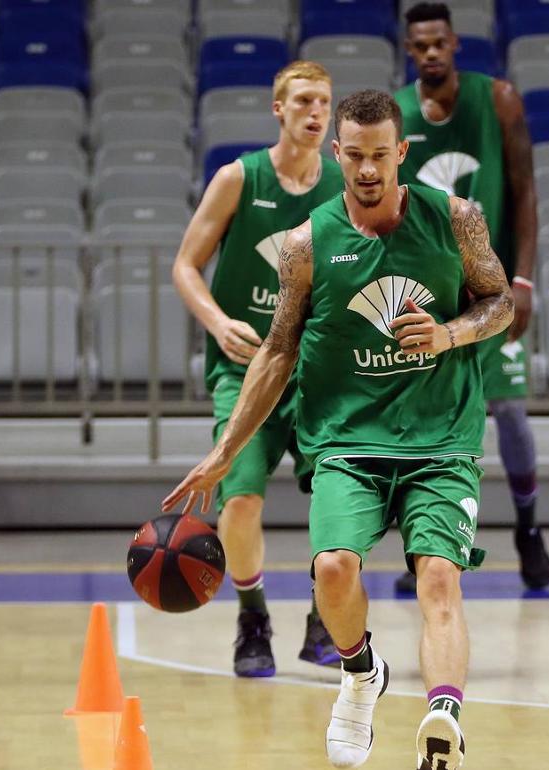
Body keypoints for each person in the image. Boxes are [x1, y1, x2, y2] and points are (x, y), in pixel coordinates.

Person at [163, 89, 514, 770]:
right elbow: (276, 351)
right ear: (338, 155)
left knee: (439, 576)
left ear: (402, 153)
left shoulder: (457, 218)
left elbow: (499, 301)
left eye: (381, 155)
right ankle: (361, 673)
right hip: (348, 440)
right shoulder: (306, 244)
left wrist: (448, 333)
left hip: (440, 437)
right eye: (354, 155)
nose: (367, 169)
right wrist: (223, 451)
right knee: (331, 570)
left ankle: (443, 720)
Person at [170, 60, 343, 675]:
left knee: (341, 499)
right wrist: (218, 321)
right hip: (243, 370)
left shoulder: (346, 186)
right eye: (302, 101)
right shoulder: (239, 177)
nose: (315, 112)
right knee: (239, 501)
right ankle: (253, 618)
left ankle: (326, 618)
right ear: (279, 108)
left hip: (320, 374)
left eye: (323, 101)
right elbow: (186, 266)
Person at [392, 1, 549, 592]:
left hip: (492, 289)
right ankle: (426, 547)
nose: (430, 53)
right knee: (424, 423)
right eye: (420, 45)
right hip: (428, 299)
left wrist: (524, 278)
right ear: (409, 50)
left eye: (439, 43)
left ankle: (530, 528)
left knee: (509, 411)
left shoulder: (499, 99)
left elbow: (526, 191)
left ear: (455, 44)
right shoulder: (398, 115)